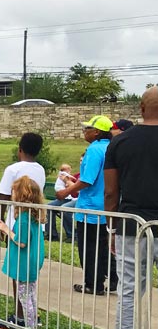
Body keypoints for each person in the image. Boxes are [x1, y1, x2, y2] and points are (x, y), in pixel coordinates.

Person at [104, 87, 158, 329]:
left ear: (141, 108)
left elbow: (111, 193)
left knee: (128, 292)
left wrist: (111, 229)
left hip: (131, 226)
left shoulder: (120, 142)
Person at [0, 132, 46, 329]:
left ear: (20, 149)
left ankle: (20, 316)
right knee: (29, 272)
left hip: (17, 224)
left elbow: (3, 197)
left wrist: (0, 222)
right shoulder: (40, 169)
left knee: (18, 270)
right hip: (36, 225)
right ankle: (30, 313)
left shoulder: (13, 169)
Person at [57, 115, 114, 295]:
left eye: (87, 128)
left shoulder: (94, 150)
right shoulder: (111, 148)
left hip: (90, 209)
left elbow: (88, 180)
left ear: (96, 132)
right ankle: (111, 279)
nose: (84, 131)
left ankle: (92, 284)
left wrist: (66, 191)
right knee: (104, 247)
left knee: (88, 249)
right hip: (107, 208)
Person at [0, 176, 46, 329]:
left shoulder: (24, 217)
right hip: (32, 261)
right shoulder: (34, 215)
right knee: (30, 296)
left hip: (25, 263)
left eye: (14, 192)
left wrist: (6, 230)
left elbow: (22, 241)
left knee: (25, 298)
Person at [48, 163, 78, 242]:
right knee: (48, 207)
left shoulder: (85, 176)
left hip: (75, 198)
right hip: (65, 197)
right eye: (80, 161)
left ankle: (71, 235)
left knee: (65, 208)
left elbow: (77, 190)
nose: (81, 162)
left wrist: (68, 182)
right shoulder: (75, 175)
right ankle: (52, 234)